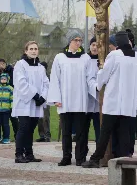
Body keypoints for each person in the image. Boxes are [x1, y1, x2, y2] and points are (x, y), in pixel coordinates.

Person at [82, 31, 137, 168]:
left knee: (105, 132)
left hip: (113, 100)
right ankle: (123, 160)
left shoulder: (115, 55)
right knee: (124, 132)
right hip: (129, 102)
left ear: (117, 43)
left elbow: (104, 74)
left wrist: (97, 84)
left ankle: (95, 159)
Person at [47, 32, 95, 167]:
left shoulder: (85, 58)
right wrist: (56, 98)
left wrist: (95, 89)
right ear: (69, 41)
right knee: (66, 132)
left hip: (80, 100)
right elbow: (55, 78)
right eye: (75, 40)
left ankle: (80, 158)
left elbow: (89, 78)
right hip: (65, 100)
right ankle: (66, 157)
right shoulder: (60, 57)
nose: (78, 43)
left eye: (80, 40)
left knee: (81, 132)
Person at [12, 41, 49, 163]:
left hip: (36, 103)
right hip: (24, 102)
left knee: (31, 129)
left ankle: (29, 154)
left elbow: (46, 84)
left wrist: (43, 97)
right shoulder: (20, 65)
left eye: (36, 49)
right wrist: (35, 95)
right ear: (26, 51)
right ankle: (18, 154)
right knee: (23, 128)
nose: (34, 51)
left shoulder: (41, 67)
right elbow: (20, 83)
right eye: (31, 49)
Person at [81, 37, 101, 159]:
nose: (95, 47)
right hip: (86, 100)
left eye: (97, 45)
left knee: (99, 129)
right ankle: (82, 153)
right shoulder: (84, 59)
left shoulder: (104, 60)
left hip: (99, 101)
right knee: (83, 129)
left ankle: (99, 153)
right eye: (93, 44)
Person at [0, 58, 19, 140]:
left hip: (12, 98)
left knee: (14, 119)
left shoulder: (12, 71)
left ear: (3, 64)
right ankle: (4, 136)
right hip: (2, 100)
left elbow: (14, 83)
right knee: (3, 121)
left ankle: (17, 135)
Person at [36, 61, 51, 142]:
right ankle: (41, 135)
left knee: (46, 118)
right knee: (39, 118)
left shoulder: (48, 77)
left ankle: (47, 135)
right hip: (39, 99)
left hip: (46, 100)